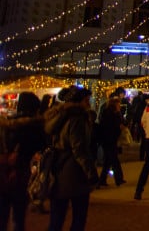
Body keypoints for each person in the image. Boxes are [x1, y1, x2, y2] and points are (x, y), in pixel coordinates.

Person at [46, 86, 99, 231]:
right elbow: (79, 149)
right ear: (79, 101)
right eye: (87, 100)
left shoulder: (58, 117)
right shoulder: (77, 119)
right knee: (78, 217)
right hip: (74, 170)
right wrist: (91, 172)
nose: (89, 103)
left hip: (57, 167)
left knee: (56, 217)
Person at [0, 92, 46, 231]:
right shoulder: (34, 126)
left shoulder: (6, 125)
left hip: (3, 172)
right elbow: (40, 146)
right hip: (21, 172)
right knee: (18, 216)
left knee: (2, 213)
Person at [97, 97, 125, 187]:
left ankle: (102, 179)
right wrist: (119, 128)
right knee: (114, 159)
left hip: (108, 139)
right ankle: (118, 178)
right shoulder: (112, 114)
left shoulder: (108, 113)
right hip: (109, 139)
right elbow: (111, 127)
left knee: (108, 161)